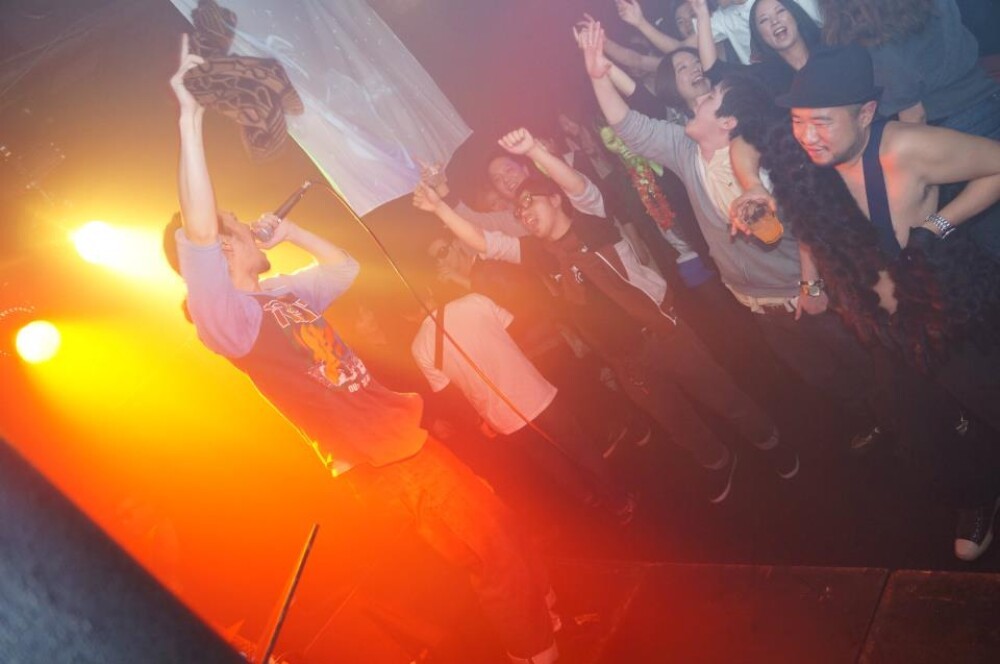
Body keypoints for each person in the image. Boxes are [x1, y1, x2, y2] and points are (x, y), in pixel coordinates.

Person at [163, 35, 558, 664]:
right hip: (382, 463)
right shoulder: (231, 322)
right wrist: (189, 118)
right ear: (221, 250)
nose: (243, 225)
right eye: (234, 226)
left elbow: (343, 269)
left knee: (497, 527)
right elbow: (201, 232)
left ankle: (538, 625)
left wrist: (291, 230)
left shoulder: (279, 295)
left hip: (398, 439)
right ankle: (536, 650)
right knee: (492, 549)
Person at [581, 20, 888, 450]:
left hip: (802, 294)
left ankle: (911, 421)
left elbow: (808, 222)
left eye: (708, 99)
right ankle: (871, 423)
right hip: (758, 304)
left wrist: (811, 285)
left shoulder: (759, 163)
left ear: (727, 121)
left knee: (868, 365)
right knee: (819, 374)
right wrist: (598, 75)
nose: (699, 99)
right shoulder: (685, 151)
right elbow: (631, 126)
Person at [414, 168, 798, 505]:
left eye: (530, 202)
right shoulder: (539, 254)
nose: (524, 213)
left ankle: (768, 440)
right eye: (519, 212)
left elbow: (581, 188)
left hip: (663, 334)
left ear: (555, 198)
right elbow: (486, 242)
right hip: (625, 360)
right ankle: (717, 460)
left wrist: (533, 150)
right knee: (676, 420)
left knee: (721, 393)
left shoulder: (591, 224)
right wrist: (438, 209)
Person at [773, 44, 1000, 561]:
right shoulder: (807, 158)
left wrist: (938, 225)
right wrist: (811, 286)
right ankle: (978, 494)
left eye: (822, 121)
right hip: (882, 328)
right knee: (921, 435)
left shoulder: (908, 148)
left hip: (944, 318)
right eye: (798, 120)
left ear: (865, 113)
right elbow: (808, 222)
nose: (807, 135)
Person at [410, 291, 636, 523]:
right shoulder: (473, 301)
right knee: (580, 446)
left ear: (406, 316)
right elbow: (516, 328)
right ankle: (618, 502)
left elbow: (448, 394)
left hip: (501, 417)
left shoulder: (420, 348)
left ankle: (588, 499)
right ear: (428, 292)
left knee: (547, 457)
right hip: (534, 392)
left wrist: (479, 422)